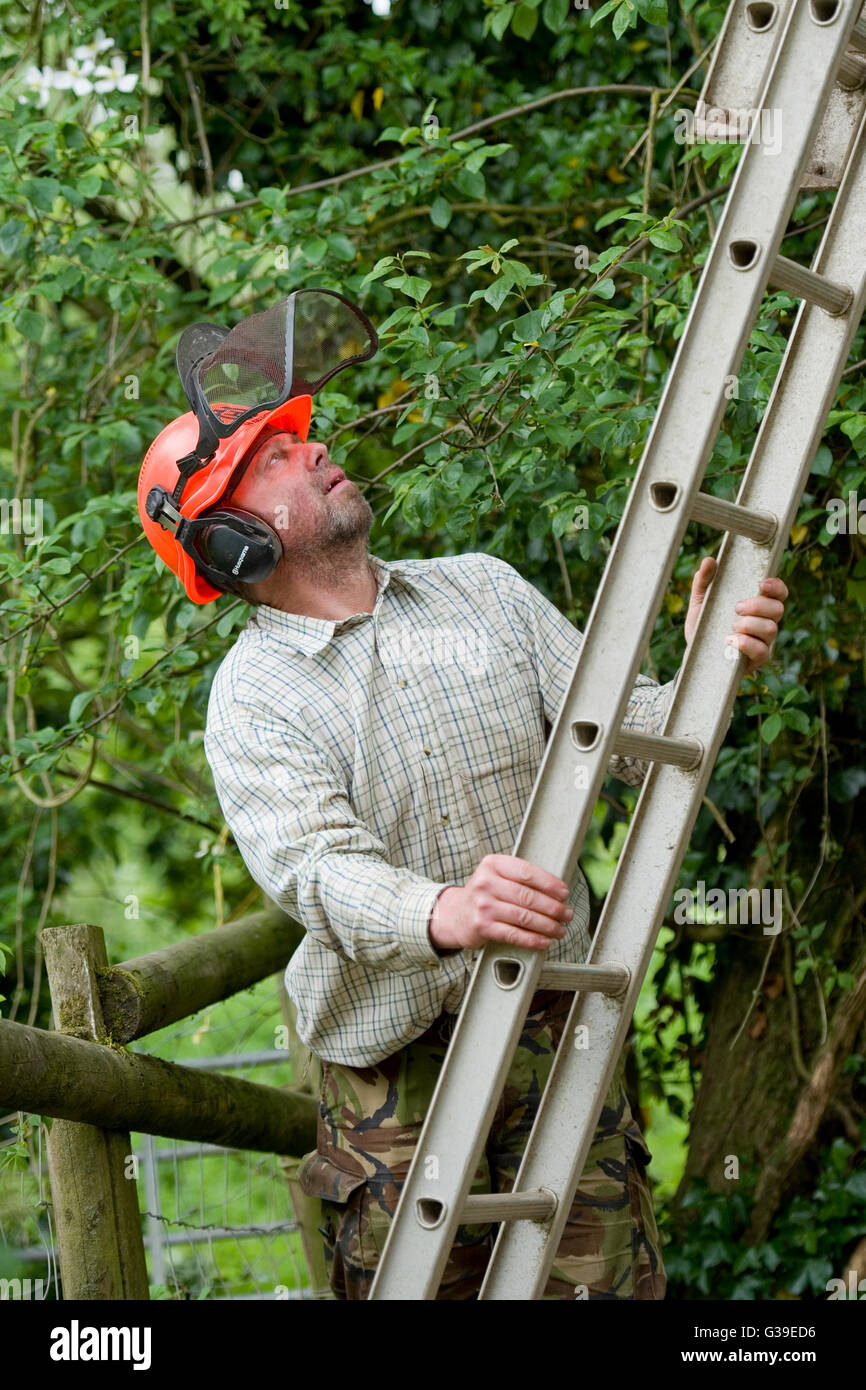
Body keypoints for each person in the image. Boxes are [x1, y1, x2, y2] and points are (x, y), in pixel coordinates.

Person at [139, 367, 788, 1302]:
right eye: (275, 459)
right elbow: (315, 870)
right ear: (233, 542)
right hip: (392, 1068)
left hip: (552, 1020)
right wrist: (444, 910)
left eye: (301, 438)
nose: (318, 449)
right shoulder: (253, 699)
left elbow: (629, 742)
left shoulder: (484, 592)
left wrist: (707, 658)